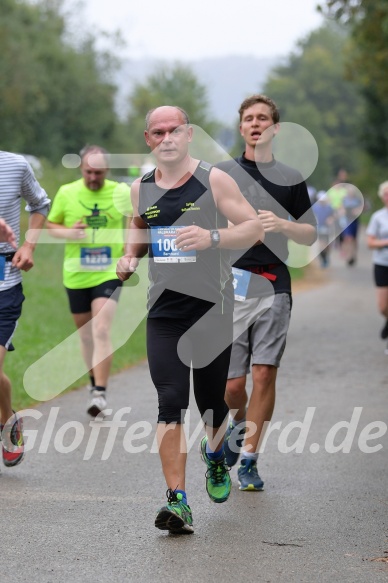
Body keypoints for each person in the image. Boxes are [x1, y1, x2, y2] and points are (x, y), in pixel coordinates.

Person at [116, 105, 264, 534]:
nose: (167, 138)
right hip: (164, 312)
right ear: (148, 139)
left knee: (213, 404)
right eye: (158, 132)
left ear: (188, 134)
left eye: (174, 130)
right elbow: (139, 231)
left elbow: (253, 228)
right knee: (169, 400)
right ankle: (177, 500)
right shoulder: (140, 188)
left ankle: (216, 455)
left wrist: (212, 236)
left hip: (212, 310)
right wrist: (129, 257)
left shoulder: (213, 179)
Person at [216, 94, 317, 491]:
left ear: (275, 128)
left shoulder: (291, 177)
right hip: (232, 284)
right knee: (232, 386)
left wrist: (283, 225)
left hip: (274, 281)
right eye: (249, 119)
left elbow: (310, 232)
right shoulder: (222, 174)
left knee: (264, 373)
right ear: (241, 127)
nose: (255, 124)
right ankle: (239, 426)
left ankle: (250, 461)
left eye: (263, 119)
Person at [47, 145, 131, 417]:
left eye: (99, 172)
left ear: (107, 170)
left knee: (101, 329)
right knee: (85, 335)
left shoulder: (120, 192)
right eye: (88, 172)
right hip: (76, 272)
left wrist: (129, 252)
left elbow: (134, 221)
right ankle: (93, 383)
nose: (93, 177)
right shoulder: (67, 193)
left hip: (108, 271)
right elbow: (52, 226)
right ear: (81, 169)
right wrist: (69, 232)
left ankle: (100, 393)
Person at [0, 150, 51, 467]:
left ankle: (7, 424)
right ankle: (8, 417)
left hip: (4, 284)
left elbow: (40, 204)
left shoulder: (15, 165)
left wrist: (29, 245)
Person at [366, 181, 388, 348]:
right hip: (382, 263)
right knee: (383, 307)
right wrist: (385, 242)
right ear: (382, 197)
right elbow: (370, 243)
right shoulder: (378, 217)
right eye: (386, 193)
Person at [339, 186, 364, 266]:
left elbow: (361, 208)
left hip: (355, 221)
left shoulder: (357, 200)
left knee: (354, 239)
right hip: (347, 221)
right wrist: (342, 212)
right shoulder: (344, 200)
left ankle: (353, 254)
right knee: (348, 238)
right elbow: (341, 208)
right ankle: (349, 256)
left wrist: (357, 211)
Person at [313, 191, 335, 268]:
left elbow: (333, 216)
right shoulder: (315, 207)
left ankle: (325, 256)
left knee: (327, 245)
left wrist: (331, 219)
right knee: (321, 244)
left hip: (327, 229)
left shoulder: (329, 207)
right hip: (319, 228)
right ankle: (323, 259)